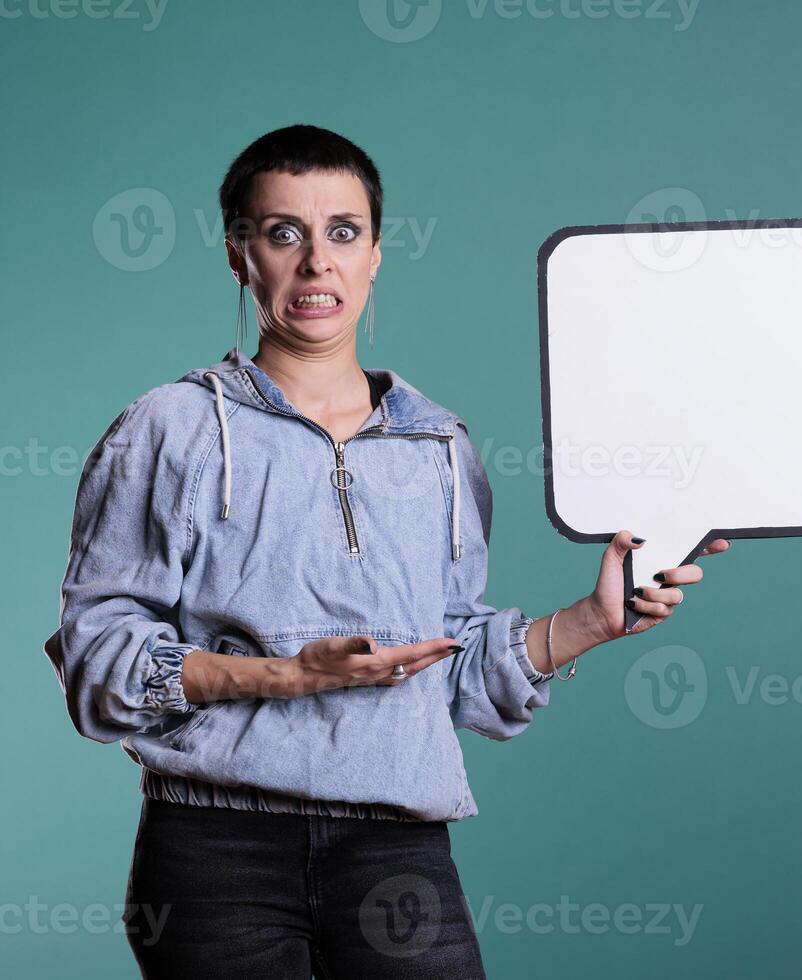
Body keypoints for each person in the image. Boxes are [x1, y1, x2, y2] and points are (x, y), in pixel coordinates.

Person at [41, 123, 730, 978]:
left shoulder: (440, 446)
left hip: (398, 851)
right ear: (238, 256)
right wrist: (288, 677)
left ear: (375, 254)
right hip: (216, 852)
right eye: (282, 233)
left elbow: (450, 659)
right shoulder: (171, 429)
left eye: (342, 233)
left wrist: (591, 622)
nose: (315, 262)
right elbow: (97, 660)